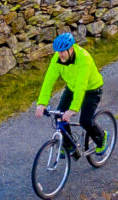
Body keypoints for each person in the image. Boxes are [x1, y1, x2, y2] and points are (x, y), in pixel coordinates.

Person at [35, 31, 109, 164]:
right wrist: (41, 103)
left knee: (85, 121)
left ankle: (101, 137)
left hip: (92, 89)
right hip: (72, 87)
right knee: (59, 116)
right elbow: (48, 81)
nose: (60, 55)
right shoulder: (57, 59)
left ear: (71, 48)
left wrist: (73, 109)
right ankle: (69, 145)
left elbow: (82, 85)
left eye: (63, 51)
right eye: (58, 52)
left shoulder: (83, 58)